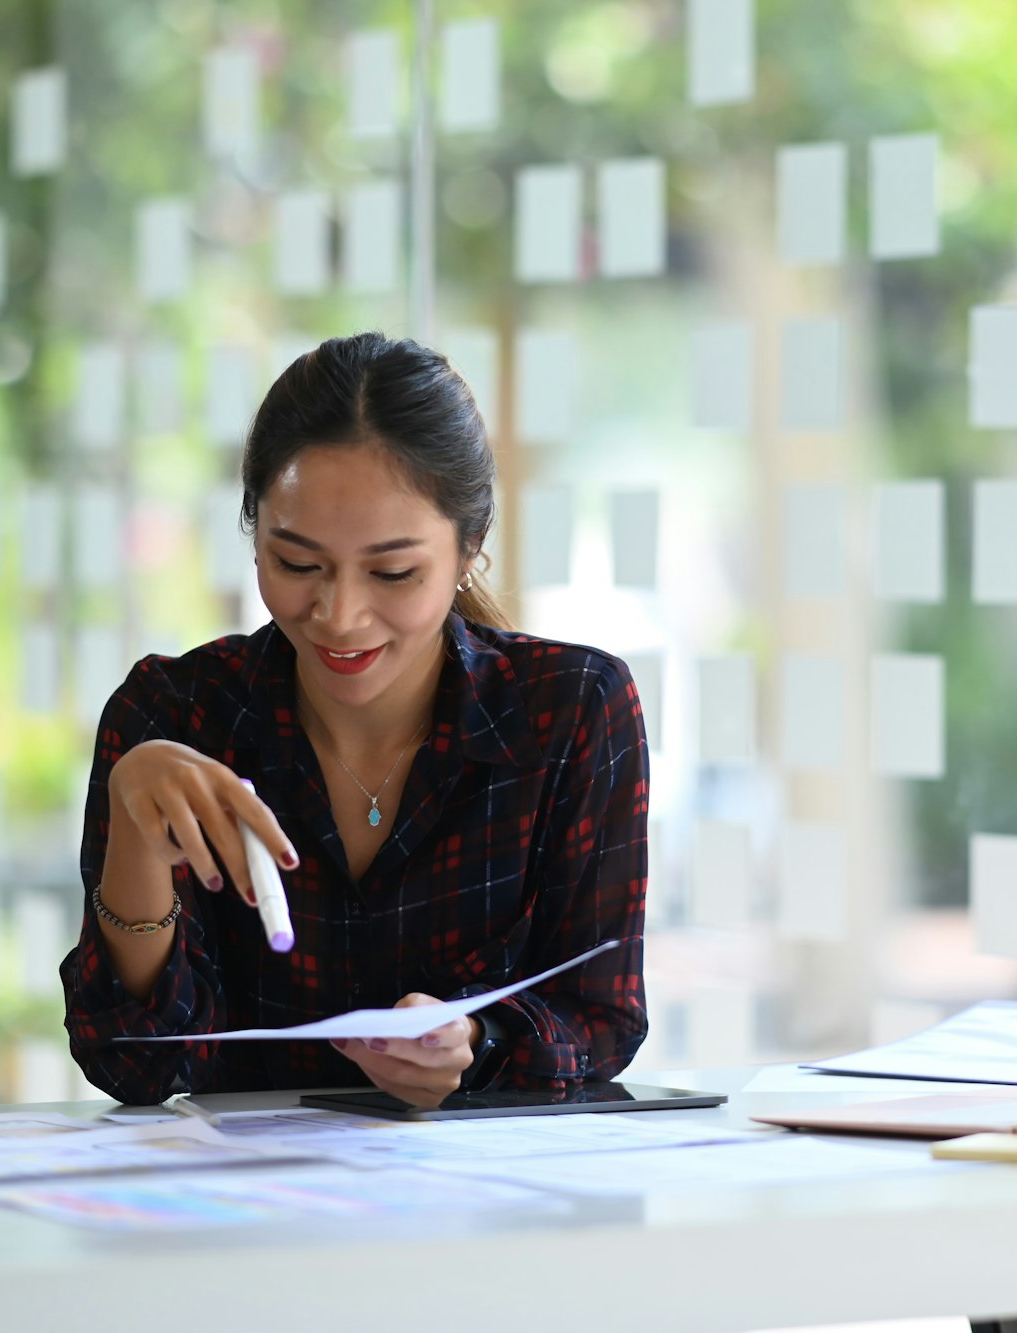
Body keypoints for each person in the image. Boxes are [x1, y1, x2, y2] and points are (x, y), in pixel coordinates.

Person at [61, 332, 649, 1107]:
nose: (339, 615)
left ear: (470, 546)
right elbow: (134, 1064)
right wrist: (134, 831)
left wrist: (476, 1040)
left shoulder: (570, 710)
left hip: (490, 1204)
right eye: (297, 564)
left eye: (393, 571)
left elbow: (603, 1016)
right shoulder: (174, 715)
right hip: (242, 1202)